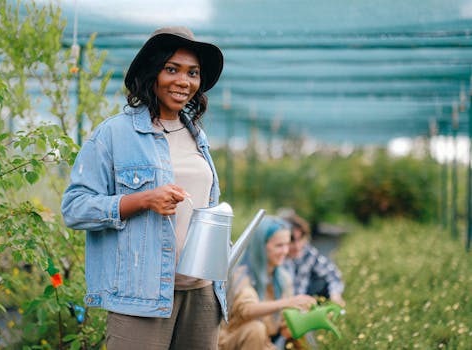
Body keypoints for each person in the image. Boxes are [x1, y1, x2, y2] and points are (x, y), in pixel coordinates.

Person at [61, 26, 225, 349]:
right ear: (152, 72)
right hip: (142, 296)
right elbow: (74, 208)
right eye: (172, 69)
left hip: (203, 294)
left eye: (193, 73)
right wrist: (143, 200)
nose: (184, 81)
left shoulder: (197, 137)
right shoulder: (113, 135)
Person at [218, 216, 316, 350]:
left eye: (287, 244)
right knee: (255, 329)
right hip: (230, 342)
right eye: (279, 245)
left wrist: (311, 318)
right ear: (261, 246)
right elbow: (247, 310)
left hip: (264, 344)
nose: (285, 251)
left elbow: (285, 326)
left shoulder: (282, 278)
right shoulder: (242, 275)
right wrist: (288, 302)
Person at [280, 211, 345, 308]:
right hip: (282, 306)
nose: (297, 246)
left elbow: (332, 272)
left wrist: (335, 295)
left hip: (302, 303)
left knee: (322, 281)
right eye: (292, 241)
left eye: (300, 239)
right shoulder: (278, 258)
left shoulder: (307, 252)